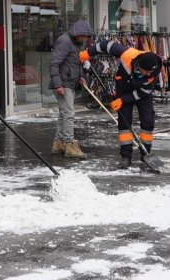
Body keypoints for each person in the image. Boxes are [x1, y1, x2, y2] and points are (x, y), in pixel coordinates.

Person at [81, 40, 162, 170]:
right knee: (124, 123)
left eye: (150, 72)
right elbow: (106, 45)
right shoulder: (127, 54)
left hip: (142, 94)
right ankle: (126, 157)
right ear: (139, 65)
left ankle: (145, 153)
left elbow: (143, 92)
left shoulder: (154, 70)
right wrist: (88, 53)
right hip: (124, 88)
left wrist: (122, 100)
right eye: (146, 71)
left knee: (148, 121)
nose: (148, 74)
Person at [49, 19, 94, 159]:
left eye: (86, 37)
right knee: (69, 113)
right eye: (83, 36)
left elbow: (74, 64)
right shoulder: (65, 41)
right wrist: (58, 85)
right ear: (77, 33)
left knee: (64, 114)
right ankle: (70, 145)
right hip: (63, 84)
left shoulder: (76, 43)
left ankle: (59, 143)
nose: (85, 39)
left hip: (69, 82)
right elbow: (54, 63)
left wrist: (80, 76)